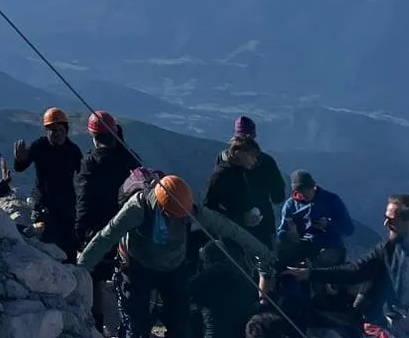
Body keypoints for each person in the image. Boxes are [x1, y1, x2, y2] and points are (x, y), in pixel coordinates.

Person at [79, 174, 275, 338]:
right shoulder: (138, 209)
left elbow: (231, 230)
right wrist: (81, 269)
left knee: (180, 325)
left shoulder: (190, 210)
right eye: (177, 215)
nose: (182, 218)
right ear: (164, 209)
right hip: (138, 266)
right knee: (137, 326)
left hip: (172, 267)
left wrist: (263, 253)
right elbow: (107, 236)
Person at [288, 194, 409, 338]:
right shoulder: (388, 248)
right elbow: (355, 270)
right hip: (384, 325)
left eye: (391, 220)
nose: (385, 224)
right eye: (385, 218)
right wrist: (309, 274)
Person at [76, 110, 142, 332]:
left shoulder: (92, 163)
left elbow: (84, 200)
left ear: (93, 136)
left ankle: (95, 325)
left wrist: (80, 232)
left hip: (100, 227)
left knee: (96, 278)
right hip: (131, 230)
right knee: (128, 278)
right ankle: (130, 328)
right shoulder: (130, 158)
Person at [15, 107, 84, 259]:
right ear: (47, 131)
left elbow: (83, 175)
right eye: (53, 130)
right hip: (43, 204)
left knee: (68, 247)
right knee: (46, 246)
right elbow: (21, 167)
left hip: (66, 206)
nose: (57, 133)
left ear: (66, 130)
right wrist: (19, 160)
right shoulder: (39, 146)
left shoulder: (73, 151)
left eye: (60, 129)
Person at [206, 136, 278, 249]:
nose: (255, 160)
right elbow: (209, 207)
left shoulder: (240, 174)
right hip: (227, 236)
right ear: (239, 153)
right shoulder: (221, 176)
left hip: (241, 230)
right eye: (252, 156)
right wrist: (242, 218)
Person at [276, 171, 353, 267]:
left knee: (321, 262)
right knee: (280, 255)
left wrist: (328, 225)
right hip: (302, 245)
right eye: (300, 192)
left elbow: (349, 229)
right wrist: (289, 235)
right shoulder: (290, 204)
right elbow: (281, 231)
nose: (304, 195)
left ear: (313, 187)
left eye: (306, 191)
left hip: (330, 245)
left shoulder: (332, 200)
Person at [234, 117, 288, 236]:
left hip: (232, 220)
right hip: (262, 220)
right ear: (254, 135)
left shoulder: (224, 160)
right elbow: (278, 196)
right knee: (265, 252)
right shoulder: (267, 161)